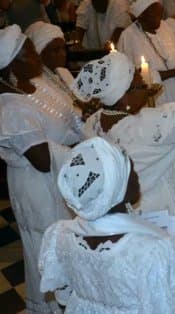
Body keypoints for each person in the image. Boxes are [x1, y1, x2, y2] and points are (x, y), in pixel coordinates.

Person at [39, 136, 175, 313]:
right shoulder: (154, 251)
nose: (136, 175)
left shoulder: (60, 235)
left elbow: (65, 299)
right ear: (116, 188)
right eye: (130, 170)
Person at [73, 51, 175, 247]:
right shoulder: (144, 127)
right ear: (123, 98)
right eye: (140, 85)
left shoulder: (93, 123)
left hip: (122, 216)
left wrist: (142, 96)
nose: (146, 87)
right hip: (160, 208)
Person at [0, 25, 81, 313]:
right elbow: (43, 159)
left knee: (70, 243)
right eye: (30, 51)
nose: (36, 55)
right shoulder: (10, 109)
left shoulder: (37, 84)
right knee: (49, 247)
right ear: (12, 63)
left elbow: (69, 119)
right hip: (39, 186)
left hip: (62, 176)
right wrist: (79, 150)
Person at [118, 0, 175, 105]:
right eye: (153, 16)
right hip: (157, 100)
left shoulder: (164, 27)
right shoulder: (128, 37)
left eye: (160, 14)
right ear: (141, 16)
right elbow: (141, 77)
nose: (159, 19)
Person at [25, 21, 84, 130]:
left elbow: (80, 100)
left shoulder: (63, 72)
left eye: (63, 48)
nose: (63, 54)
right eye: (56, 50)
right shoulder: (36, 82)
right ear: (39, 53)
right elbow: (55, 119)